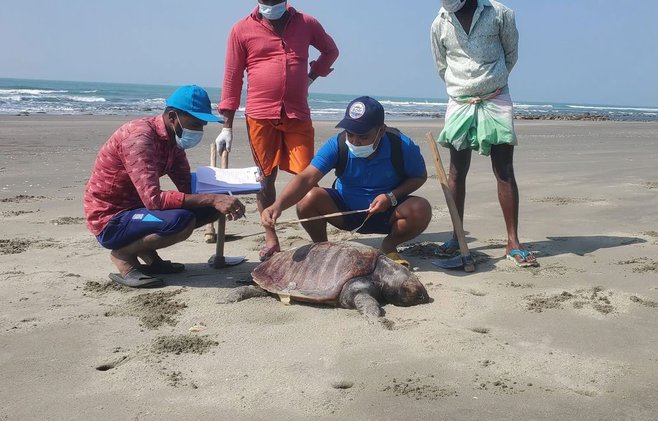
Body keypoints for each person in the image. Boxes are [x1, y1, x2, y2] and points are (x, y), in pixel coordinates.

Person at [83, 85, 246, 288]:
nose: (198, 131)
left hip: (137, 211)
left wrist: (229, 188)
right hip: (111, 218)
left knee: (211, 209)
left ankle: (149, 256)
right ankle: (123, 255)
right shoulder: (139, 139)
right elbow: (154, 200)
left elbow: (187, 185)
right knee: (181, 220)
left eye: (202, 126)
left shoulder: (173, 142)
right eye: (195, 124)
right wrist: (213, 198)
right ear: (172, 117)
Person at [215, 0, 339, 262]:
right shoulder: (241, 29)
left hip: (297, 113)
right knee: (264, 177)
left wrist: (311, 76)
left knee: (308, 175)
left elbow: (330, 50)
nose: (270, 4)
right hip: (259, 115)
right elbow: (232, 76)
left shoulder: (306, 23)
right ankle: (271, 239)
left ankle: (320, 240)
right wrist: (227, 125)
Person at [260, 96, 432, 268]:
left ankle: (389, 245)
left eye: (363, 136)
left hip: (388, 213)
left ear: (381, 131)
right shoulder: (338, 144)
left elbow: (419, 176)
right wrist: (278, 206)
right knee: (308, 198)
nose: (355, 141)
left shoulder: (402, 146)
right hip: (345, 211)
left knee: (420, 208)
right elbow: (306, 178)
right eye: (350, 134)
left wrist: (391, 197)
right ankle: (323, 248)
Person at [430, 0, 538, 267]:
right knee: (457, 171)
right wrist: (465, 88)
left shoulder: (500, 14)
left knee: (504, 169)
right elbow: (441, 65)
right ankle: (456, 236)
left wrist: (491, 81)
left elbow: (511, 54)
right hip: (460, 100)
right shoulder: (439, 23)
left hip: (496, 96)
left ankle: (513, 241)